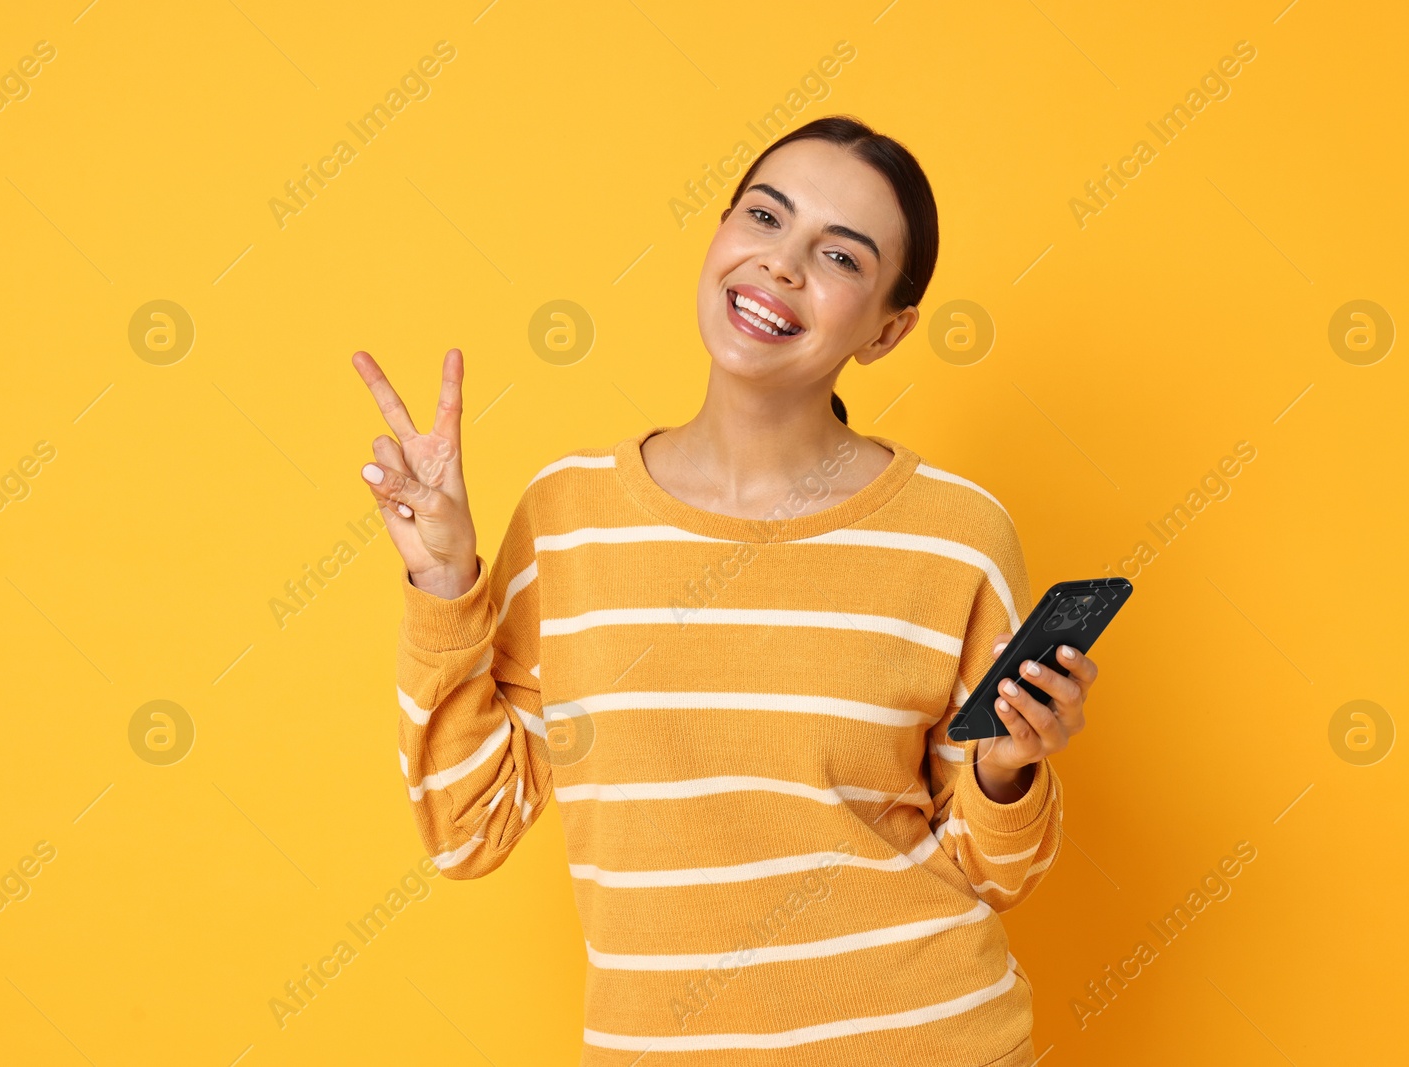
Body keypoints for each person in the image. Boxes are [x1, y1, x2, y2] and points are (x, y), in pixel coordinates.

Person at [353, 115, 1101, 1066]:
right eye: (764, 217)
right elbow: (469, 828)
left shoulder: (958, 535)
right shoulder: (569, 516)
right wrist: (444, 578)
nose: (781, 266)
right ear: (718, 236)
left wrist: (1011, 768)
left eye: (839, 256)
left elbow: (993, 871)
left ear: (888, 328)